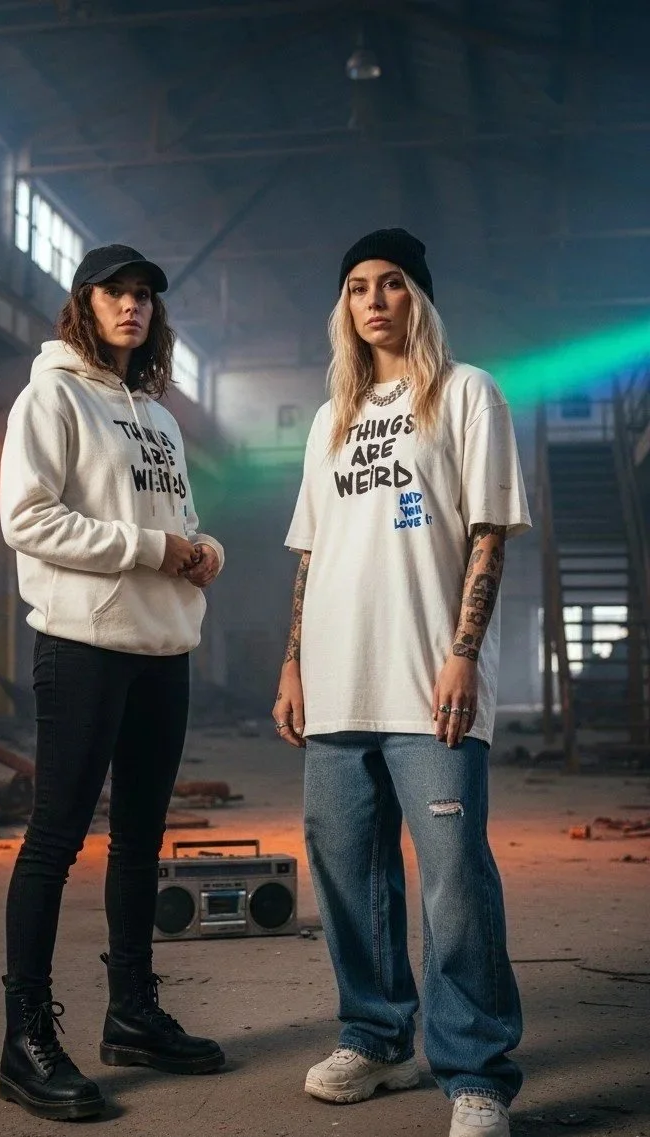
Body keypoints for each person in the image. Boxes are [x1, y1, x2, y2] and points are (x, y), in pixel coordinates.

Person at [274, 229, 530, 1137]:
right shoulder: (329, 419)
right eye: (356, 286)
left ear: (419, 297)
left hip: (432, 685)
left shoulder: (467, 394)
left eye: (390, 284)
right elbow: (310, 551)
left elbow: (489, 532)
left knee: (455, 878)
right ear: (343, 307)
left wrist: (464, 651)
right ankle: (376, 1035)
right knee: (348, 872)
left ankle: (475, 1073)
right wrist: (295, 660)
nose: (373, 299)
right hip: (338, 682)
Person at [0, 244, 225, 1121]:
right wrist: (148, 549)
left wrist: (202, 552)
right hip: (85, 642)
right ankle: (24, 1040)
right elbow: (29, 518)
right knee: (55, 838)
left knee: (140, 838)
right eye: (115, 292)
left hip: (165, 646)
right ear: (84, 303)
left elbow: (182, 524)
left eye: (144, 296)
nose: (132, 305)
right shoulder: (49, 395)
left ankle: (131, 1012)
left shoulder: (159, 420)